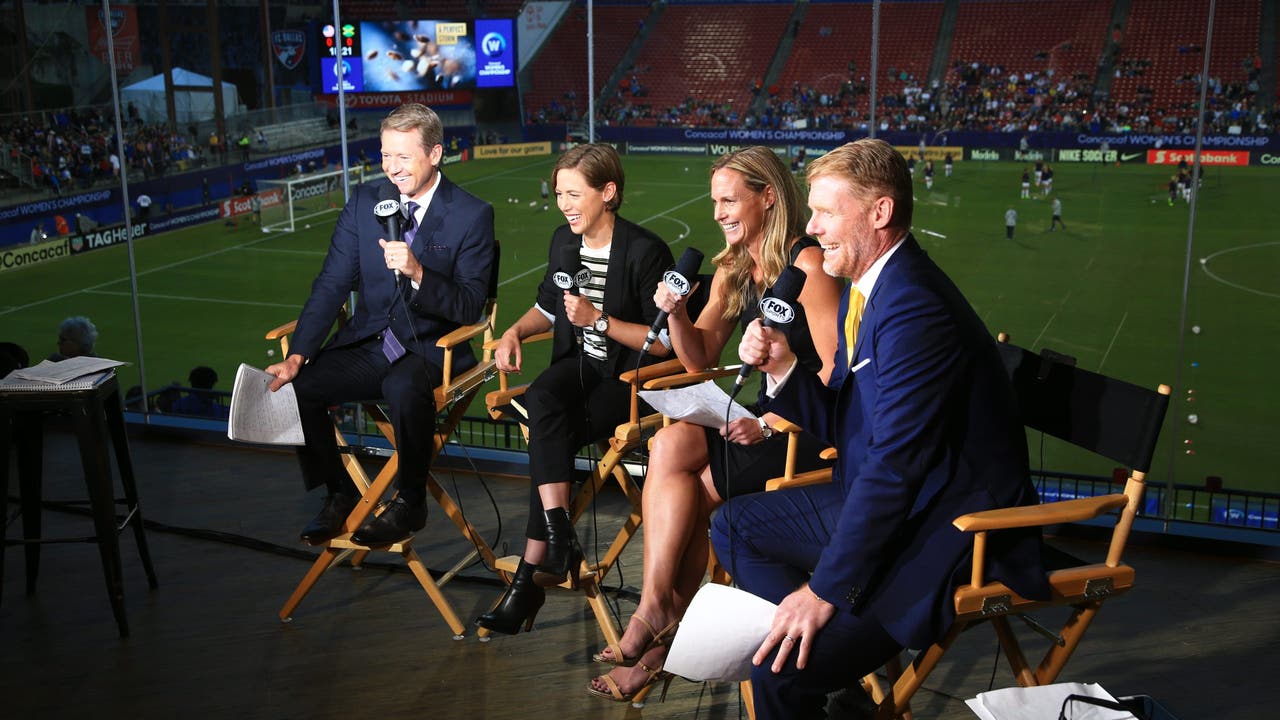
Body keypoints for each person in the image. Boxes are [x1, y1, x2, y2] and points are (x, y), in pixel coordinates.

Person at [713, 138, 1049, 719]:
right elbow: (847, 423)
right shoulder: (870, 289)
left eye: (825, 212)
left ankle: (818, 634)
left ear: (880, 212)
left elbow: (896, 466)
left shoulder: (915, 307)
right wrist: (785, 368)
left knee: (778, 674)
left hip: (946, 532)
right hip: (885, 503)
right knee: (733, 526)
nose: (811, 228)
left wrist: (823, 591)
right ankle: (816, 637)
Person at [588, 146, 842, 703]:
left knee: (700, 492)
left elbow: (831, 375)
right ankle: (656, 608)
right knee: (671, 442)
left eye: (729, 200)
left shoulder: (809, 268)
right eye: (715, 202)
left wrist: (770, 422)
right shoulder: (734, 268)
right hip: (762, 420)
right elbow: (699, 356)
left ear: (767, 197)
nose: (719, 213)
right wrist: (677, 314)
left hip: (805, 431)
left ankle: (659, 640)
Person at [265, 103, 496, 547]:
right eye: (386, 155)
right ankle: (341, 493)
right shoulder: (364, 201)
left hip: (433, 349)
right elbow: (332, 283)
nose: (392, 168)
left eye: (403, 156)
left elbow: (470, 306)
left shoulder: (472, 214)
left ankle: (410, 501)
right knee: (297, 388)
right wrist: (298, 355)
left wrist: (419, 273)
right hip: (370, 342)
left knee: (403, 387)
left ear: (435, 154)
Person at [474, 143, 674, 636]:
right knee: (543, 399)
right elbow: (548, 306)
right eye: (559, 193)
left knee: (550, 434)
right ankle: (559, 536)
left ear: (607, 192)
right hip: (579, 365)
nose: (563, 204)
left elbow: (662, 343)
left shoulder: (646, 251)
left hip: (627, 380)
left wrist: (598, 320)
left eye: (573, 193)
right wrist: (514, 331)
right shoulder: (564, 242)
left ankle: (529, 577)